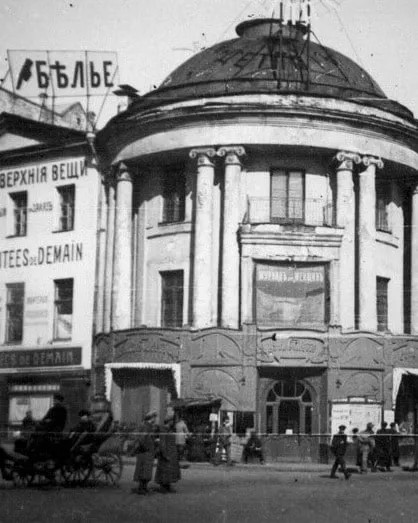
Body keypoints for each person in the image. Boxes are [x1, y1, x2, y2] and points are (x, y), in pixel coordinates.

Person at [132, 410, 158, 495]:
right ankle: (141, 488)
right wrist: (147, 448)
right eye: (155, 417)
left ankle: (144, 488)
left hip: (147, 451)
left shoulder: (147, 425)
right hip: (145, 451)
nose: (155, 419)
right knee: (144, 470)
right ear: (151, 418)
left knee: (146, 470)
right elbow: (142, 438)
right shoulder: (146, 426)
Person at [155, 415, 181, 493]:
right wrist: (164, 454)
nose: (173, 422)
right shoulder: (163, 430)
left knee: (170, 471)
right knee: (164, 470)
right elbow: (162, 443)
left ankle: (168, 485)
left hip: (172, 453)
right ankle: (163, 487)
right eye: (172, 421)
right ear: (169, 421)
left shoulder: (169, 430)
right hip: (167, 453)